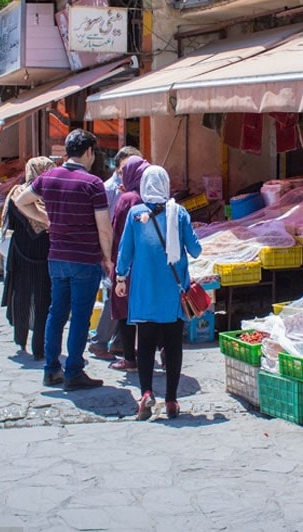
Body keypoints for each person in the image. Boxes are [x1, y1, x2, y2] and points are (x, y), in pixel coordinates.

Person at [16, 129, 112, 391]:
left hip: (57, 257)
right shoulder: (92, 184)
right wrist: (107, 258)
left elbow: (20, 201)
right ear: (89, 151)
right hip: (84, 258)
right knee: (80, 317)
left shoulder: (48, 177)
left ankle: (51, 370)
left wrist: (45, 219)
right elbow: (104, 228)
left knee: (56, 313)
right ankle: (74, 372)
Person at [114, 165, 202, 420]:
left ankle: (145, 393)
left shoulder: (135, 214)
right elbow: (195, 251)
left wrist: (120, 278)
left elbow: (125, 252)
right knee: (173, 346)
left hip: (144, 291)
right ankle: (172, 400)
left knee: (146, 345)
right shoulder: (179, 213)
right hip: (173, 293)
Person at [89, 145, 144, 361]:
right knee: (116, 298)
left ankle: (120, 344)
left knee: (122, 299)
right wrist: (106, 255)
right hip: (114, 251)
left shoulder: (131, 192)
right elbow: (106, 224)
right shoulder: (110, 190)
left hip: (125, 252)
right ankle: (99, 341)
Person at [0, 156, 56, 359]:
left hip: (21, 250)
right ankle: (39, 346)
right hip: (44, 252)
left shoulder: (17, 194)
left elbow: (11, 223)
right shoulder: (51, 198)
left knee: (22, 295)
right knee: (43, 299)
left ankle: (21, 338)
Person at [106, 154, 150, 372]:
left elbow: (117, 232)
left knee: (124, 309)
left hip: (127, 262)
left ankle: (130, 359)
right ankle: (147, 357)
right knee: (146, 311)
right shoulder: (155, 198)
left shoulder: (127, 200)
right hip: (149, 265)